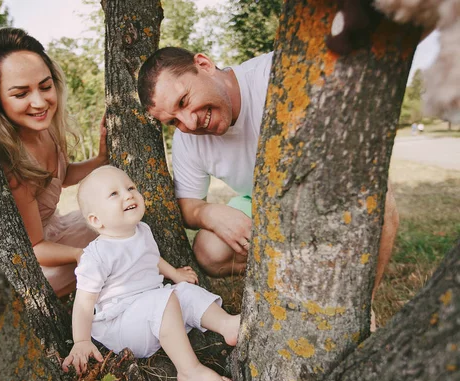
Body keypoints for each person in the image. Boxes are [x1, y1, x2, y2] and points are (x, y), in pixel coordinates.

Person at [137, 47, 399, 324]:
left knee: (376, 200)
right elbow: (188, 204)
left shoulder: (280, 74)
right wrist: (208, 213)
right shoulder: (188, 140)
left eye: (184, 100)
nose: (189, 121)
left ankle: (360, 308)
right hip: (261, 203)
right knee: (209, 251)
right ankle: (295, 280)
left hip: (325, 186)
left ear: (204, 64)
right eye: (173, 121)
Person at [61, 166, 239, 381]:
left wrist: (174, 274)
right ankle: (190, 371)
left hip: (153, 308)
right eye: (114, 194)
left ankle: (227, 325)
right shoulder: (96, 255)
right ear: (96, 220)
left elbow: (151, 258)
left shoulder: (142, 230)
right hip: (123, 325)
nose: (128, 194)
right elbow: (84, 302)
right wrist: (81, 340)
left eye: (130, 187)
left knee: (185, 292)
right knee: (163, 301)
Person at [0, 27, 108, 297]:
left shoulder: (44, 128)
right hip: (34, 258)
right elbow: (34, 248)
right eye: (21, 94)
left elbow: (62, 175)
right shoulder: (11, 161)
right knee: (108, 243)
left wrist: (101, 158)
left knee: (117, 221)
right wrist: (80, 255)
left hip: (56, 232)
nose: (39, 102)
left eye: (45, 87)